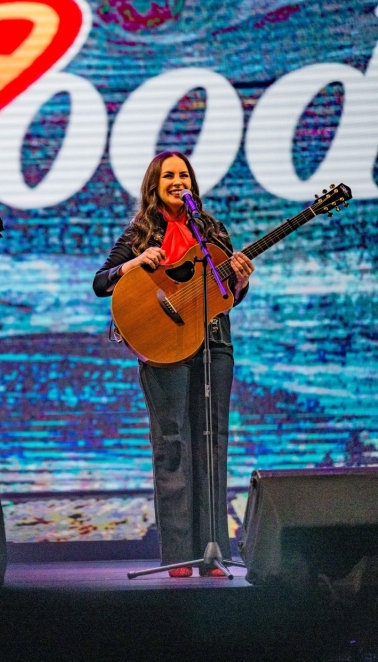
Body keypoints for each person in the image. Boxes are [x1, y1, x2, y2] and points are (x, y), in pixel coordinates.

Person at [92, 151, 254, 577]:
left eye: (184, 175)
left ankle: (212, 551)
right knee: (173, 444)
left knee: (212, 444)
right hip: (163, 347)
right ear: (155, 184)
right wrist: (134, 262)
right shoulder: (141, 231)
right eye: (169, 176)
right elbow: (101, 282)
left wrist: (240, 281)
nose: (178, 181)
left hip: (214, 342)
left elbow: (225, 295)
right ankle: (179, 553)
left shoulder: (212, 230)